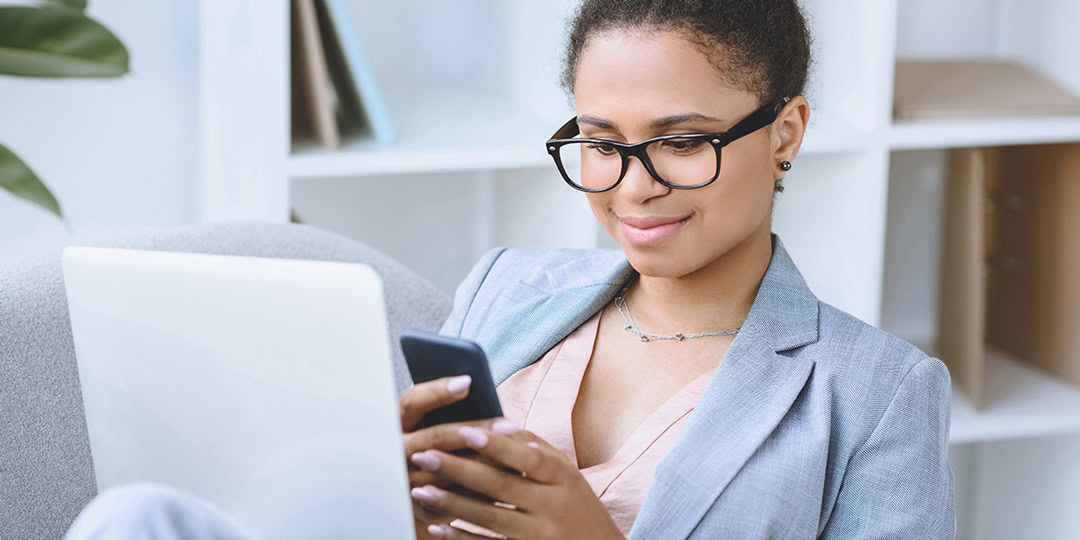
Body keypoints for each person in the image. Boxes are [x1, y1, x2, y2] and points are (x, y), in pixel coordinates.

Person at [66, 1, 955, 539]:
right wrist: (385, 501)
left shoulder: (875, 396)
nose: (631, 188)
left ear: (787, 131)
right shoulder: (507, 288)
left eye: (681, 143)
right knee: (135, 517)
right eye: (600, 144)